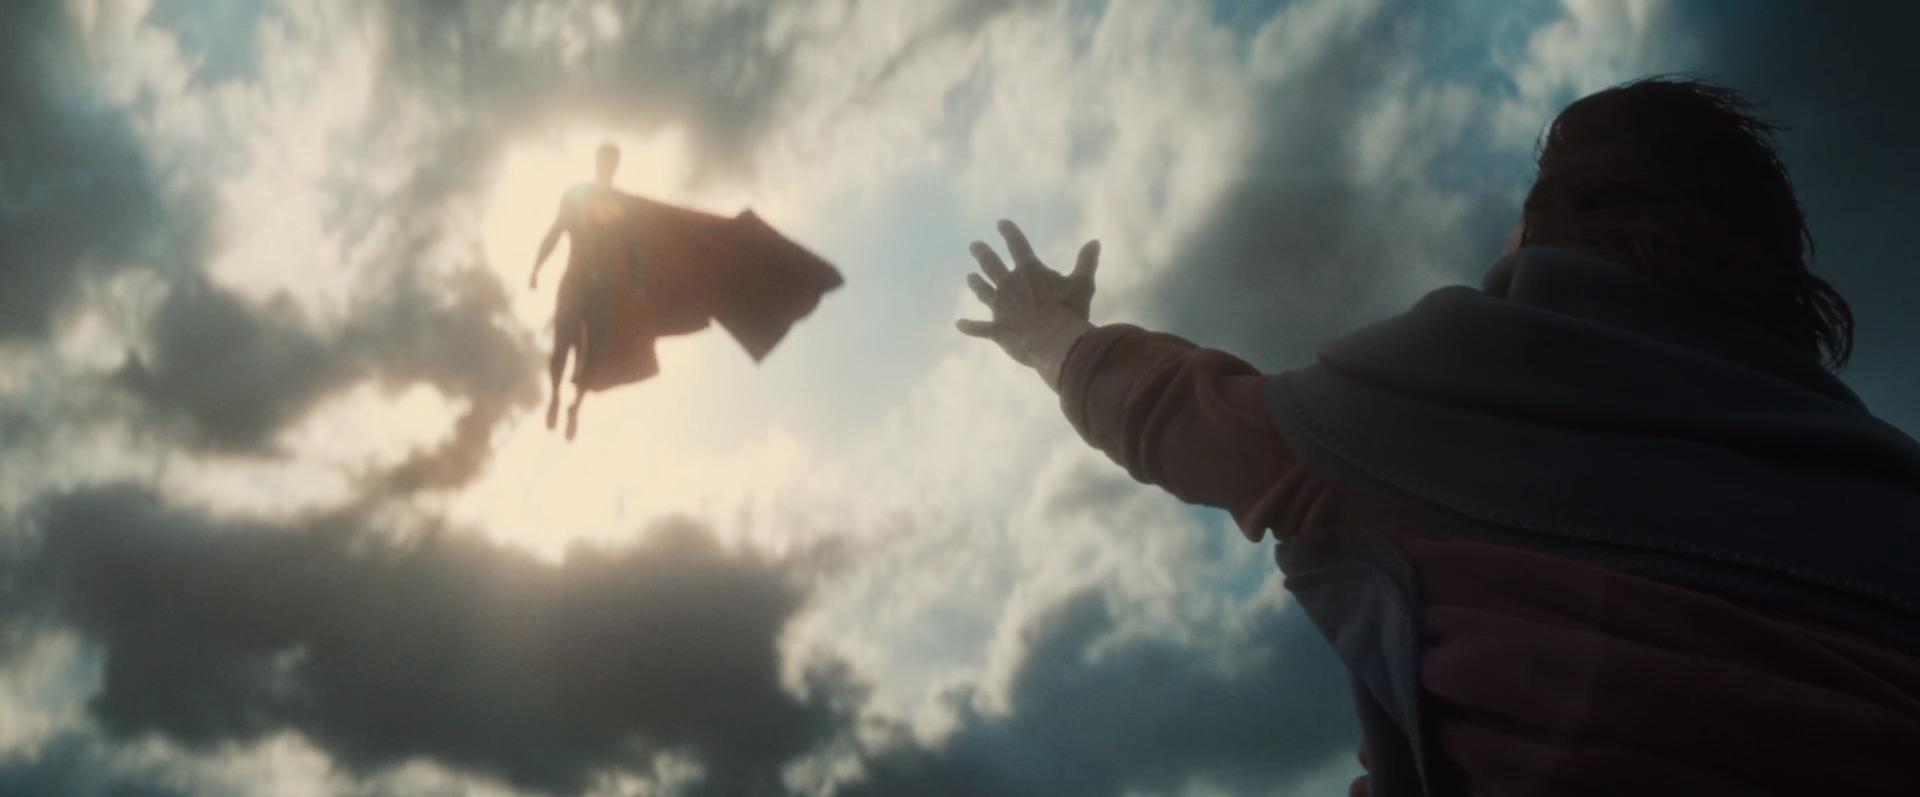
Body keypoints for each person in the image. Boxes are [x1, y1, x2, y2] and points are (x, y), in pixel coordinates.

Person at [959, 77, 1920, 795]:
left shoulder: (1475, 379)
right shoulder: (1884, 482)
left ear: (1543, 230)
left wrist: (1053, 338)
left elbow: (1192, 423)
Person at [531, 141, 627, 440]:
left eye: (611, 162)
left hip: (604, 287)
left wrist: (637, 283)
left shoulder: (621, 202)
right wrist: (536, 268)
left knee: (593, 354)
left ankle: (575, 407)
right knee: (562, 344)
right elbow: (554, 233)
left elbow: (634, 248)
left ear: (616, 166)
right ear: (597, 162)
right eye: (604, 160)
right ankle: (555, 396)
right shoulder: (576, 196)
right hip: (575, 279)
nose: (607, 166)